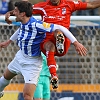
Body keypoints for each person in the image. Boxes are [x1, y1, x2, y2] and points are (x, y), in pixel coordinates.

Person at [0, 1, 87, 99]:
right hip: (20, 56)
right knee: (5, 78)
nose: (13, 13)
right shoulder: (24, 22)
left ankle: (59, 42)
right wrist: (8, 42)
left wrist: (75, 42)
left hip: (32, 64)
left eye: (15, 11)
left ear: (23, 13)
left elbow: (60, 27)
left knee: (27, 96)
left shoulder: (38, 25)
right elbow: (21, 30)